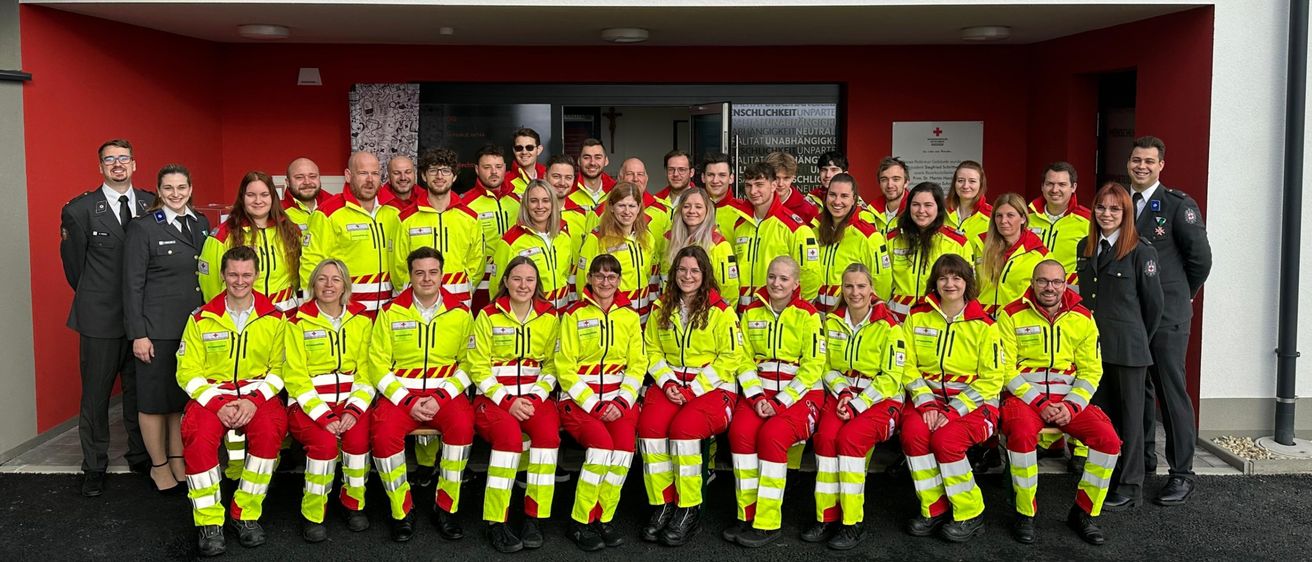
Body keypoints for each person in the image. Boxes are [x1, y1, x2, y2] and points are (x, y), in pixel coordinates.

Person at [997, 259, 1121, 545]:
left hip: (1069, 400)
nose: (1049, 288)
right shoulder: (1012, 314)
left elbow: (1092, 370)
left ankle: (1084, 512)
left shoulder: (1082, 317)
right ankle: (1024, 513)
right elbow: (1006, 370)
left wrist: (1071, 406)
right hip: (1026, 399)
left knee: (1108, 440)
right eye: (1042, 281)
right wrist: (1039, 402)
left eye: (1055, 282)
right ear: (1032, 283)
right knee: (1021, 435)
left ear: (1065, 284)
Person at [177, 246, 290, 556]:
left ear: (256, 275)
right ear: (223, 275)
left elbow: (281, 369)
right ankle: (209, 521)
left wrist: (254, 401)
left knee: (269, 433)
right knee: (197, 437)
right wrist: (217, 404)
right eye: (233, 274)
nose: (240, 281)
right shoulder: (201, 319)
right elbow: (187, 372)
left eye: (246, 274)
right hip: (213, 397)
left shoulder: (275, 318)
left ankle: (246, 513)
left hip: (257, 395)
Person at [60, 139, 155, 495]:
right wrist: (98, 297)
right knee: (96, 396)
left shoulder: (151, 203)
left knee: (138, 393)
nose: (117, 165)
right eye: (109, 160)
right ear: (100, 167)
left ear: (134, 164)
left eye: (123, 159)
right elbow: (75, 269)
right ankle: (95, 466)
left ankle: (140, 456)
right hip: (100, 318)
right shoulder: (81, 210)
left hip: (142, 320)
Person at [366, 247, 476, 543]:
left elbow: (471, 362)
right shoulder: (390, 311)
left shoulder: (462, 312)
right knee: (383, 433)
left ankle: (446, 507)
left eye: (433, 272)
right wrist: (407, 400)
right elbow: (376, 363)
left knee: (463, 429)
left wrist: (442, 396)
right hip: (402, 395)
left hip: (445, 394)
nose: (427, 279)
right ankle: (401, 510)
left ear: (442, 274)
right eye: (419, 273)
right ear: (410, 275)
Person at [638, 245, 744, 547]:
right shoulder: (662, 306)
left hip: (712, 388)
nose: (687, 276)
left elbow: (730, 358)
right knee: (650, 429)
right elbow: (652, 350)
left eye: (694, 271)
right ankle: (662, 504)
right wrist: (667, 381)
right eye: (682, 270)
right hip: (671, 383)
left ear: (704, 274)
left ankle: (688, 508)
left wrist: (694, 388)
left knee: (684, 432)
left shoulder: (721, 311)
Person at [1125, 135, 1211, 506]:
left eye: (1148, 161)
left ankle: (1181, 472)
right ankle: (1145, 460)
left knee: (1170, 392)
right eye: (1135, 160)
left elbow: (1200, 261)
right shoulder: (1120, 203)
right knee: (1137, 391)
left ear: (1161, 165)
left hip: (1168, 317)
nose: (1141, 166)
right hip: (1131, 317)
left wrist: (1179, 296)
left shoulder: (1178, 205)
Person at [899, 254, 1004, 542]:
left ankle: (970, 511)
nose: (949, 283)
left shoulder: (985, 325)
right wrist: (925, 401)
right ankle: (933, 507)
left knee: (947, 441)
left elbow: (993, 378)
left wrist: (954, 410)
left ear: (967, 283)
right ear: (934, 282)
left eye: (957, 277)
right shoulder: (917, 315)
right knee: (913, 435)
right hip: (927, 402)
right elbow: (905, 363)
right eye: (943, 277)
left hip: (973, 406)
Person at [725, 256, 826, 548]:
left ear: (796, 284)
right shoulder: (750, 312)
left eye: (784, 279)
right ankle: (747, 513)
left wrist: (780, 402)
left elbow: (813, 366)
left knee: (772, 436)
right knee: (740, 434)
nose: (776, 283)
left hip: (799, 396)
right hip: (760, 393)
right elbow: (741, 359)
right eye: (772, 277)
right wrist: (756, 396)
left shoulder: (808, 316)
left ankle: (768, 522)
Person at [805, 263, 906, 550]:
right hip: (843, 396)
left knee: (849, 441)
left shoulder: (889, 326)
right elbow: (824, 366)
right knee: (825, 439)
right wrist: (844, 392)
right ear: (842, 288)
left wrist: (858, 404)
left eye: (861, 286)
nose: (855, 292)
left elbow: (891, 378)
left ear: (872, 289)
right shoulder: (831, 321)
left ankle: (852, 522)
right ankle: (826, 516)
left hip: (879, 400)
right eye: (849, 286)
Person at [123, 163, 210, 495]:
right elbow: (131, 285)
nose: (176, 194)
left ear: (190, 189)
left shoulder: (200, 223)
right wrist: (138, 334)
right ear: (159, 191)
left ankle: (177, 459)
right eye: (169, 188)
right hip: (155, 330)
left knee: (178, 401)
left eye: (182, 188)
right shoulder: (143, 228)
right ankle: (158, 465)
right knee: (152, 402)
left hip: (190, 329)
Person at [1077, 182, 1164, 511]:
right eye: (1101, 207)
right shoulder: (1085, 247)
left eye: (1115, 209)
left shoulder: (1142, 252)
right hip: (1095, 351)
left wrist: (1137, 339)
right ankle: (1109, 476)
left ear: (1126, 213)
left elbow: (1153, 307)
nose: (1107, 214)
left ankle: (1130, 486)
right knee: (1104, 419)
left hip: (1128, 350)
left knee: (1131, 420)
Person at [469, 257, 562, 553]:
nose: (523, 285)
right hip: (495, 399)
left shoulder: (549, 316)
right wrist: (507, 401)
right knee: (509, 441)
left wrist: (534, 397)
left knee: (548, 438)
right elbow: (477, 366)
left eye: (529, 280)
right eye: (517, 279)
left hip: (536, 398)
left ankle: (535, 517)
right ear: (505, 281)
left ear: (537, 285)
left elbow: (552, 366)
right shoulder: (487, 315)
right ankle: (496, 520)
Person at [555, 254, 646, 551]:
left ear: (619, 281)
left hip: (619, 401)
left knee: (622, 452)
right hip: (580, 402)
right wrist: (593, 404)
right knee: (601, 448)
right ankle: (580, 521)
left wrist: (622, 401)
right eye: (599, 276)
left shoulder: (630, 316)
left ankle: (603, 517)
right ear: (590, 279)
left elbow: (637, 365)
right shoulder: (573, 315)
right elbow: (564, 367)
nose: (605, 282)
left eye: (611, 277)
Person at [283, 259, 376, 542]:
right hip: (309, 406)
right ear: (312, 284)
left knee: (358, 443)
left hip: (351, 404)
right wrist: (324, 415)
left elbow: (368, 370)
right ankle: (313, 512)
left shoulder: (362, 320)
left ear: (345, 285)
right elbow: (295, 376)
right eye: (322, 279)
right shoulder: (297, 322)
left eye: (336, 280)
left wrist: (354, 409)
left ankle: (353, 503)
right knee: (323, 446)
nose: (328, 285)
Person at [301, 151, 403, 313]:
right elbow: (311, 263)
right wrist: (314, 309)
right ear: (348, 175)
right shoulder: (327, 213)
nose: (370, 180)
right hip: (347, 310)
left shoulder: (394, 212)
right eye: (363, 173)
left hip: (389, 310)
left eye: (375, 173)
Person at [392, 147, 484, 307]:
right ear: (423, 176)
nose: (439, 176)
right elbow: (398, 266)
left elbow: (477, 261)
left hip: (459, 298)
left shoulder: (471, 218)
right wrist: (409, 291)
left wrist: (467, 286)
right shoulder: (405, 219)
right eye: (433, 170)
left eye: (446, 171)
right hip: (418, 300)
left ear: (454, 176)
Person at [200, 171, 304, 312]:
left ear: (273, 197)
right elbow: (210, 284)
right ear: (242, 198)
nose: (258, 200)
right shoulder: (223, 235)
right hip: (243, 317)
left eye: (264, 195)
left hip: (285, 318)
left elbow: (299, 278)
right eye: (251, 195)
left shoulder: (291, 231)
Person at [731, 162, 821, 309]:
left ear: (773, 186)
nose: (753, 191)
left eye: (759, 184)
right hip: (745, 313)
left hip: (780, 314)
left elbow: (810, 275)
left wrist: (795, 310)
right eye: (748, 185)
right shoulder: (740, 225)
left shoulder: (794, 228)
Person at [886, 182, 974, 319]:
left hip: (935, 321)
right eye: (915, 205)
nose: (921, 210)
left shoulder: (958, 243)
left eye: (928, 205)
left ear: (938, 208)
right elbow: (881, 280)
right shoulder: (892, 239)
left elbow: (969, 286)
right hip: (897, 319)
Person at [577, 183, 657, 320]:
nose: (627, 211)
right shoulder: (598, 239)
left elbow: (649, 276)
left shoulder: (647, 237)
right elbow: (583, 281)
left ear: (639, 208)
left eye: (632, 206)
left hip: (643, 315)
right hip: (612, 316)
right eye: (621, 205)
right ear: (612, 207)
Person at [491, 179, 576, 308]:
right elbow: (497, 287)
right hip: (530, 318)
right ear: (526, 204)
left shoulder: (563, 235)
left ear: (553, 204)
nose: (540, 206)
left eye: (546, 200)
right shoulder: (510, 241)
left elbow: (566, 276)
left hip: (561, 314)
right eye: (533, 201)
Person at [814, 173, 892, 313]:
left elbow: (882, 282)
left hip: (851, 318)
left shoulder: (869, 236)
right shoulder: (814, 229)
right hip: (817, 316)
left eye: (844, 196)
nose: (837, 201)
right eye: (832, 195)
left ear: (854, 199)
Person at [654, 187, 740, 305]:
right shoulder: (669, 240)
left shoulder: (719, 245)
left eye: (698, 207)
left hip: (706, 314)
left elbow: (729, 291)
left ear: (707, 210)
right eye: (686, 206)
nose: (692, 211)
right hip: (673, 311)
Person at [463, 144, 523, 309]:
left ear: (505, 168)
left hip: (516, 279)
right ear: (477, 169)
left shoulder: (519, 201)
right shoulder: (465, 204)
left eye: (498, 167)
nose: (494, 172)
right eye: (487, 167)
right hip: (481, 284)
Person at [974, 193, 1049, 315]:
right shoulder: (979, 246)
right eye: (999, 216)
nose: (1003, 221)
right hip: (983, 323)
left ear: (1023, 218)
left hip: (1017, 321)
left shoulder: (1039, 254)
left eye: (1010, 215)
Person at [1027, 162, 1091, 290]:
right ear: (1042, 186)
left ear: (1073, 187)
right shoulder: (1025, 218)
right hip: (1028, 289)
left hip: (1070, 292)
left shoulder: (1088, 221)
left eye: (1062, 184)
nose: (1055, 190)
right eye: (1050, 184)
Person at [617, 157, 673, 242]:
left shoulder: (661, 209)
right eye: (629, 174)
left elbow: (667, 251)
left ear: (646, 179)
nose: (635, 179)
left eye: (640, 174)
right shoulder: (606, 209)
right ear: (620, 178)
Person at [700, 152, 754, 239]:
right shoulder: (692, 209)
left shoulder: (744, 211)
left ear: (731, 178)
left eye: (722, 175)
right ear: (703, 177)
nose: (715, 180)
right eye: (711, 175)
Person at [765, 151, 820, 225]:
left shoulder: (808, 208)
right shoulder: (756, 203)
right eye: (776, 178)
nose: (780, 184)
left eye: (786, 178)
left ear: (793, 178)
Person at [945, 161, 993, 242]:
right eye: (960, 180)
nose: (965, 186)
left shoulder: (992, 216)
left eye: (972, 181)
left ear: (981, 184)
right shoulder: (940, 211)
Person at [282, 157, 331, 232]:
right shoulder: (277, 212)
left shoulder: (337, 206)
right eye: (299, 177)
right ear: (288, 182)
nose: (307, 182)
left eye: (312, 176)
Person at [865, 156, 911, 237]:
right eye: (884, 180)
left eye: (896, 179)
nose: (889, 185)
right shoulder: (870, 211)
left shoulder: (915, 211)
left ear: (906, 182)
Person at [568, 138, 617, 213]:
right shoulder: (567, 190)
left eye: (598, 157)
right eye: (586, 157)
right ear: (579, 161)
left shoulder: (615, 190)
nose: (592, 163)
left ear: (606, 161)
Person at [508, 128, 546, 195]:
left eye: (529, 147)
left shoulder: (548, 177)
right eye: (519, 148)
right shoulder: (505, 180)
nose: (524, 152)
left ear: (539, 150)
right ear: (514, 150)